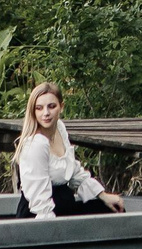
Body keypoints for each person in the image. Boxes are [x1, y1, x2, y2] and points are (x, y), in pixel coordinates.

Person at [14, 81, 127, 219]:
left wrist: (102, 195)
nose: (46, 113)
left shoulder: (60, 129)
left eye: (52, 106)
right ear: (33, 111)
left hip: (65, 206)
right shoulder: (36, 144)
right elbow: (39, 198)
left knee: (109, 209)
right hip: (40, 212)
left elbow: (73, 170)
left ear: (61, 107)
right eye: (39, 108)